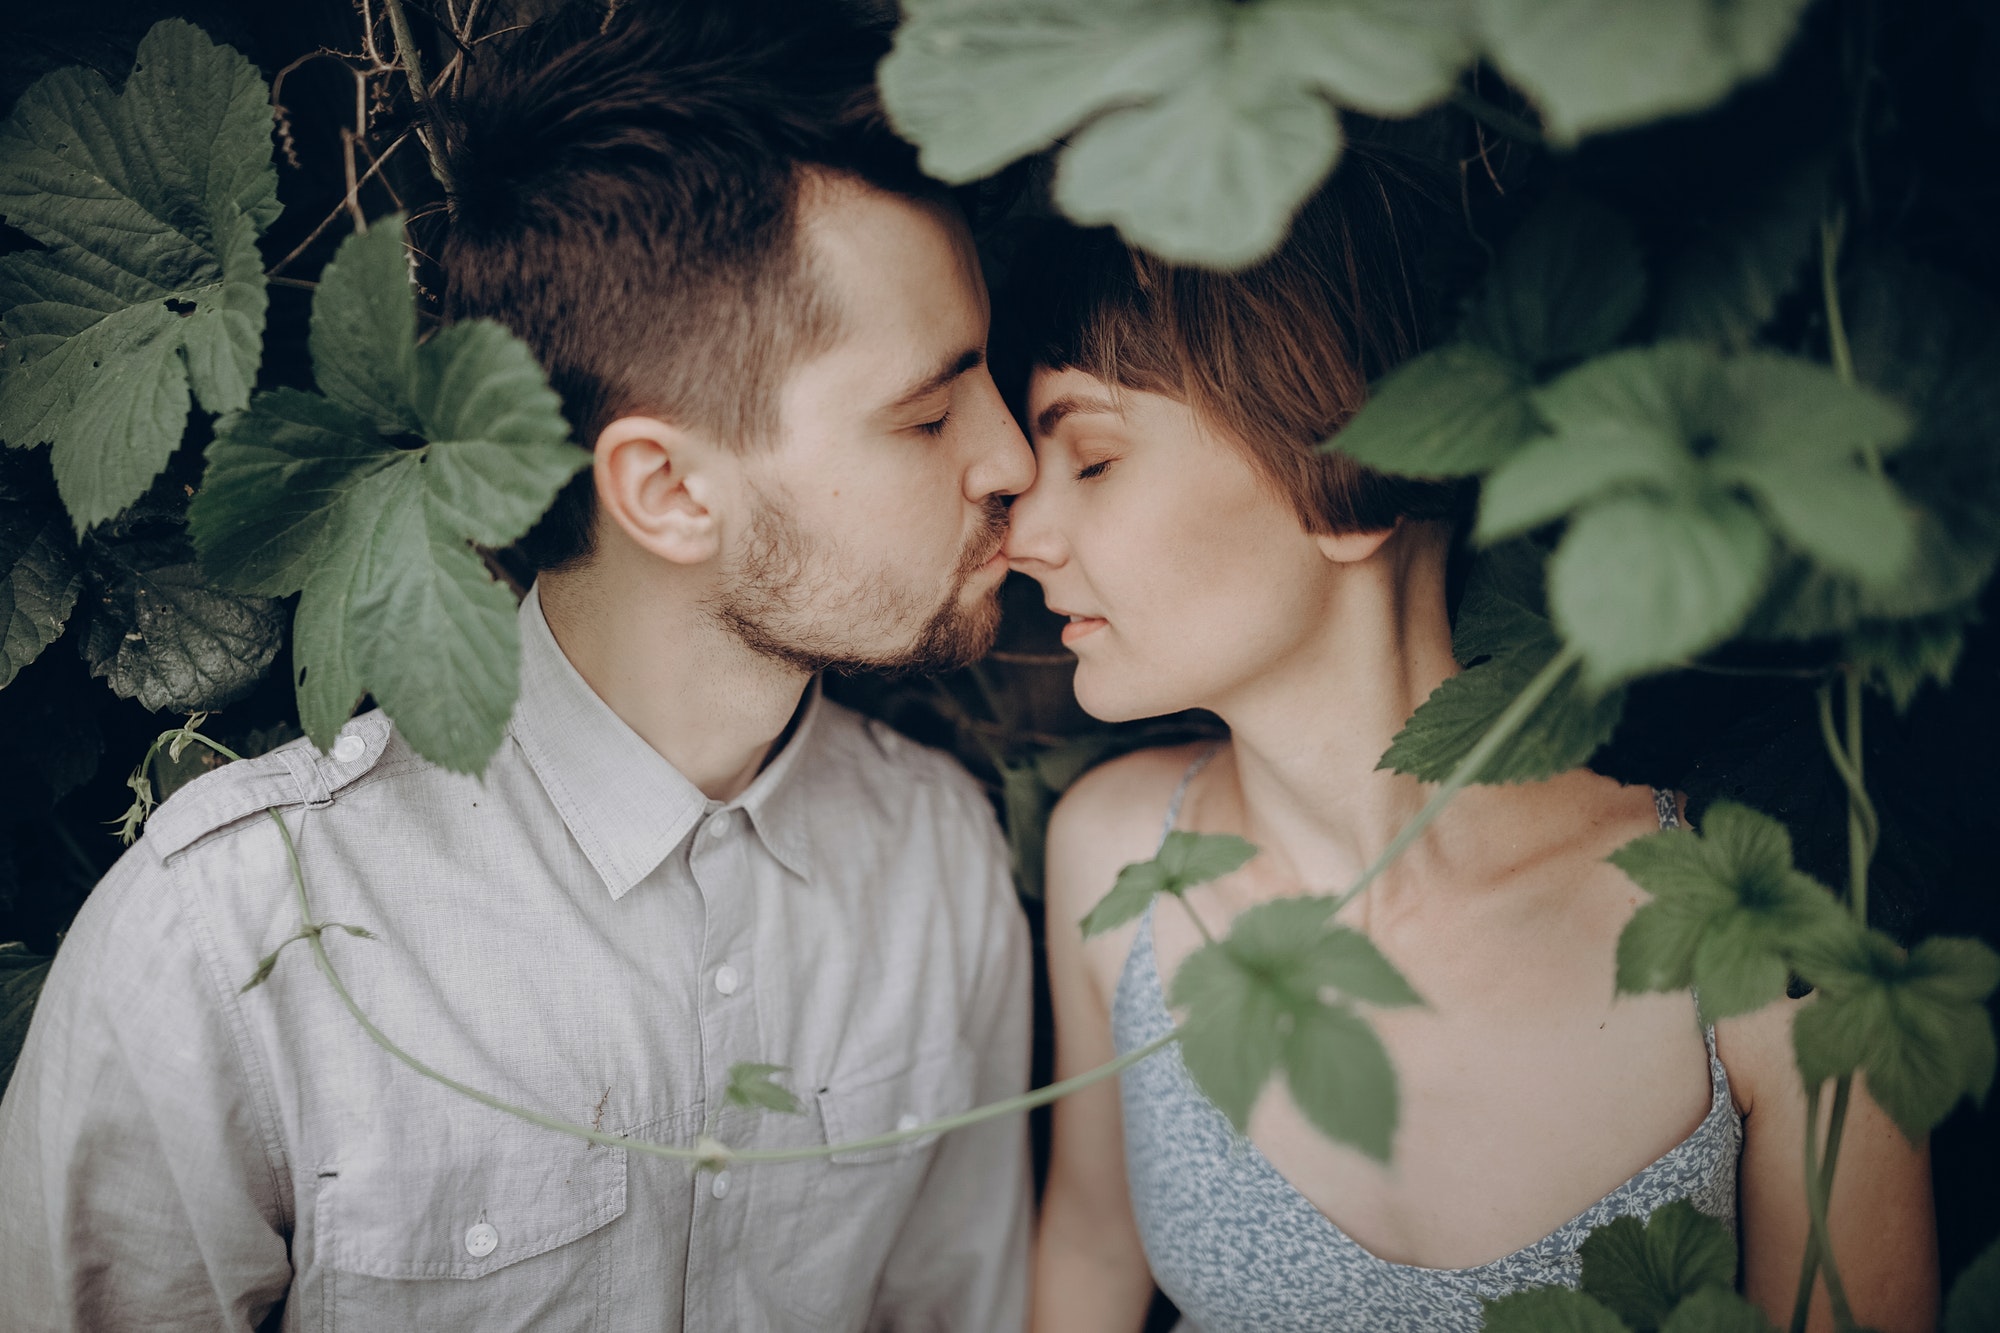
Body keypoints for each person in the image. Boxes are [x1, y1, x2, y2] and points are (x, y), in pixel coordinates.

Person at [0, 2, 1036, 1329]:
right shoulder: (232, 942)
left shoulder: (939, 863)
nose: (1013, 459)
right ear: (665, 490)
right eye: (930, 414)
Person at [1002, 156, 1937, 1332]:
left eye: (1090, 458)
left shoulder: (1771, 938)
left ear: (1342, 474)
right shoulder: (1115, 858)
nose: (1021, 533)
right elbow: (1091, 1253)